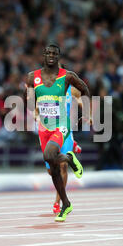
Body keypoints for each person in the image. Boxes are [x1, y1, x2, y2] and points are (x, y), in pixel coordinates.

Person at [25, 44, 90, 222]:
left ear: (59, 57)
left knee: (59, 165)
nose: (51, 56)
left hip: (62, 125)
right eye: (48, 53)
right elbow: (31, 103)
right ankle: (66, 200)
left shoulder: (67, 80)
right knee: (50, 165)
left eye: (54, 53)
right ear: (43, 56)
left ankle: (60, 199)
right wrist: (33, 105)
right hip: (44, 127)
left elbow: (81, 95)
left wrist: (87, 114)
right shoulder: (33, 78)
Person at [43, 83, 83, 215]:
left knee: (63, 166)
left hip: (64, 129)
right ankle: (73, 147)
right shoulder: (44, 89)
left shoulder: (71, 89)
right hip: (48, 131)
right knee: (51, 170)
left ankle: (58, 202)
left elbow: (82, 97)